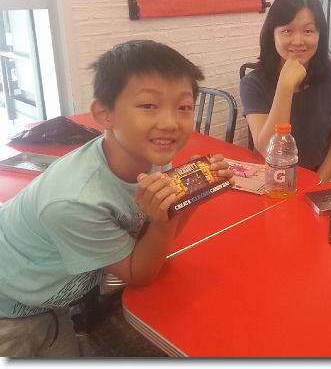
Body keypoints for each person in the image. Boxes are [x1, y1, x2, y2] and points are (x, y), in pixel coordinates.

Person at [0, 40, 233, 357]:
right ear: (104, 114)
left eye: (184, 107)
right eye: (148, 105)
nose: (170, 123)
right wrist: (168, 216)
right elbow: (140, 273)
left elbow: (153, 240)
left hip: (52, 298)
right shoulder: (75, 202)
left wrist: (193, 192)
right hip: (12, 311)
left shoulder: (150, 156)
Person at [240, 0, 331, 183]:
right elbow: (267, 150)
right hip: (269, 175)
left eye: (308, 31)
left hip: (320, 175)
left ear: (320, 35)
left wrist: (315, 183)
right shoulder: (253, 84)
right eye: (287, 31)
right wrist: (285, 87)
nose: (298, 41)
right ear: (272, 35)